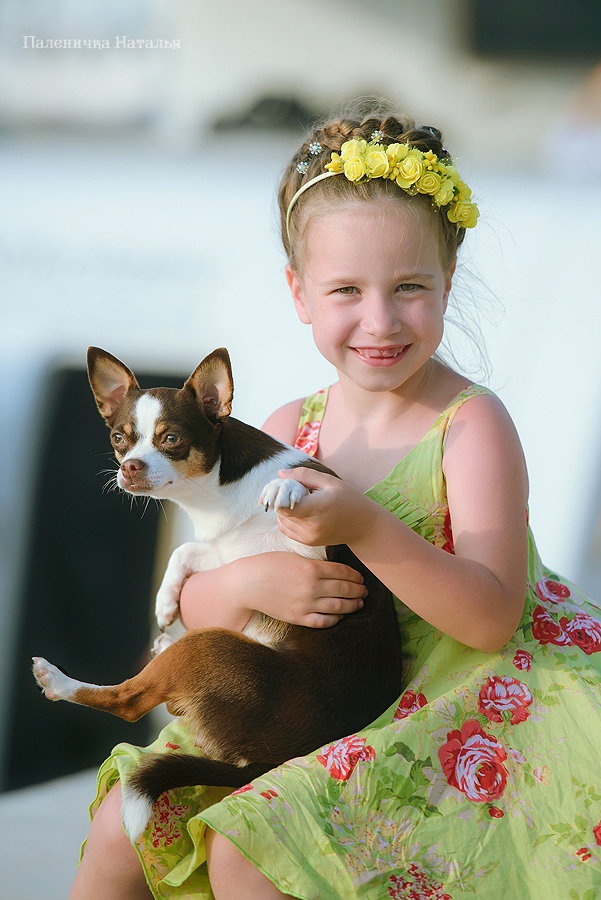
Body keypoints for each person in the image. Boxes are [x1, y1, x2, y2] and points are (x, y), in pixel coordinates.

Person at [70, 105, 601, 900]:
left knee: (246, 853)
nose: (379, 320)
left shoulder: (469, 426)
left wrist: (365, 526)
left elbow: (490, 619)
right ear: (299, 293)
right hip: (303, 692)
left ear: (447, 283)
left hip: (451, 700)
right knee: (121, 820)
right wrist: (245, 586)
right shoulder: (287, 431)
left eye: (410, 287)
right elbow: (207, 606)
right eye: (346, 289)